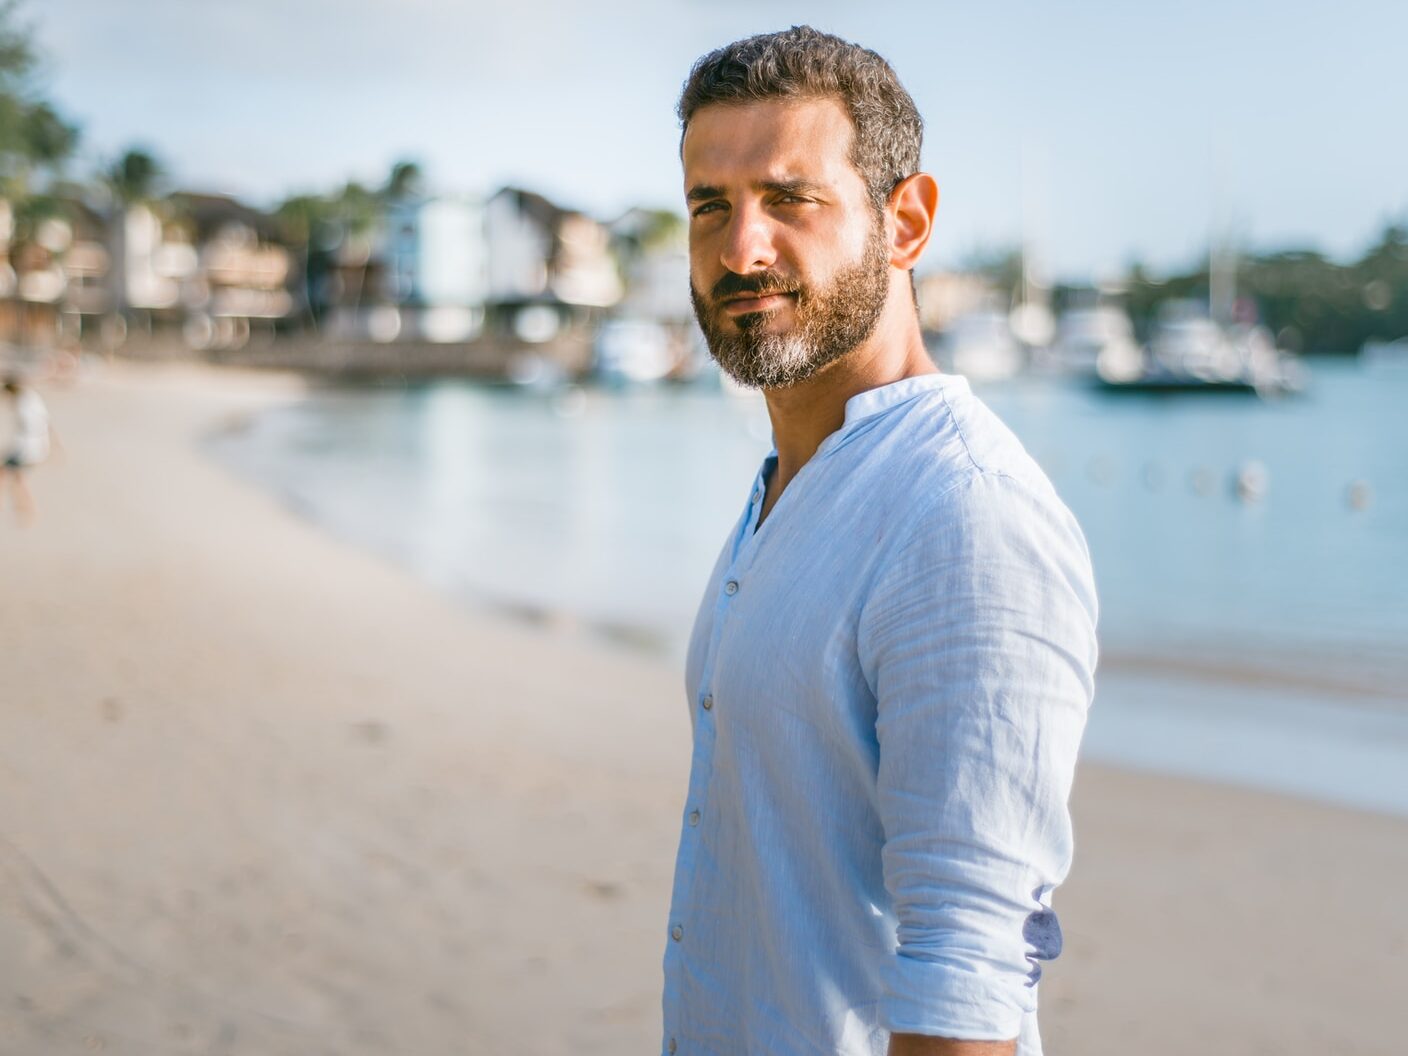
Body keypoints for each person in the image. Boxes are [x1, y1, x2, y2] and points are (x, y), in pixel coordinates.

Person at [661, 27, 1098, 1056]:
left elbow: (970, 974)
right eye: (708, 207)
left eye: (789, 199)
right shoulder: (794, 482)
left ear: (904, 222)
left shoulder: (963, 516)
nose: (740, 249)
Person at [2, 376, 53, 525]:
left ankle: (27, 511)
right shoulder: (32, 398)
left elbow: (27, 429)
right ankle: (26, 511)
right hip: (38, 446)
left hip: (26, 448)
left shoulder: (22, 404)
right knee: (15, 479)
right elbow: (46, 423)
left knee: (15, 479)